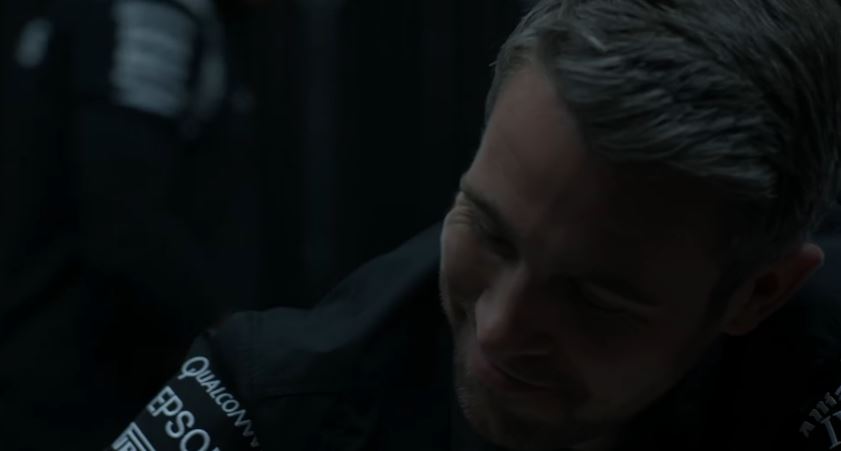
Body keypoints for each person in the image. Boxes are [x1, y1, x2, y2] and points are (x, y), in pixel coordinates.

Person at [105, 0, 841, 450]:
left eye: (595, 298)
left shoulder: (819, 376)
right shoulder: (275, 400)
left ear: (759, 292)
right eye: (489, 233)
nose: (498, 327)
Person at [0, 0, 260, 449]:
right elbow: (124, 215)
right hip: (91, 375)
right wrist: (231, 338)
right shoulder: (153, 15)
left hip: (56, 361)